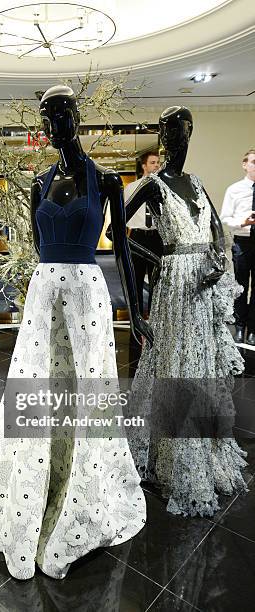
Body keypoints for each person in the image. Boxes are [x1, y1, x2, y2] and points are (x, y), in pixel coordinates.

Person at [0, 85, 150, 581]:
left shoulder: (106, 181)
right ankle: (34, 488)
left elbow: (124, 250)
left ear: (77, 116)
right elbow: (36, 248)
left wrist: (138, 311)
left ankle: (81, 497)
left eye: (62, 113)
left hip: (89, 294)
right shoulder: (37, 183)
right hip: (45, 296)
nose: (54, 124)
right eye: (46, 116)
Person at [124, 106, 247, 517]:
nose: (175, 137)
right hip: (176, 283)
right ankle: (175, 456)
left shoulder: (195, 182)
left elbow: (214, 224)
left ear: (190, 133)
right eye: (167, 130)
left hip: (204, 284)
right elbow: (113, 233)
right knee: (175, 366)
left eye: (181, 129)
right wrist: (157, 261)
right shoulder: (151, 184)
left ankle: (204, 447)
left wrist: (217, 255)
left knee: (202, 364)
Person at [220, 149, 255, 345]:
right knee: (241, 287)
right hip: (242, 242)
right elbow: (225, 217)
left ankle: (253, 330)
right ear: (245, 164)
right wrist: (244, 221)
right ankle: (240, 328)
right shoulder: (234, 189)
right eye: (254, 162)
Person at [125, 151, 163, 314]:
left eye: (158, 163)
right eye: (153, 162)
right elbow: (124, 213)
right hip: (137, 237)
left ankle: (155, 322)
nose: (156, 166)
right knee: (136, 281)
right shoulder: (131, 188)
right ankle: (137, 321)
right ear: (144, 166)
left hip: (156, 237)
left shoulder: (163, 189)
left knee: (157, 281)